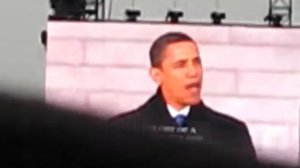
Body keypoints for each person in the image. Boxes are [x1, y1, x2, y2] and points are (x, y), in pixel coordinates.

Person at [111, 32, 258, 166]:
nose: (193, 72)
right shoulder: (122, 132)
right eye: (180, 65)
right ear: (157, 75)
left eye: (196, 62)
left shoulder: (230, 133)